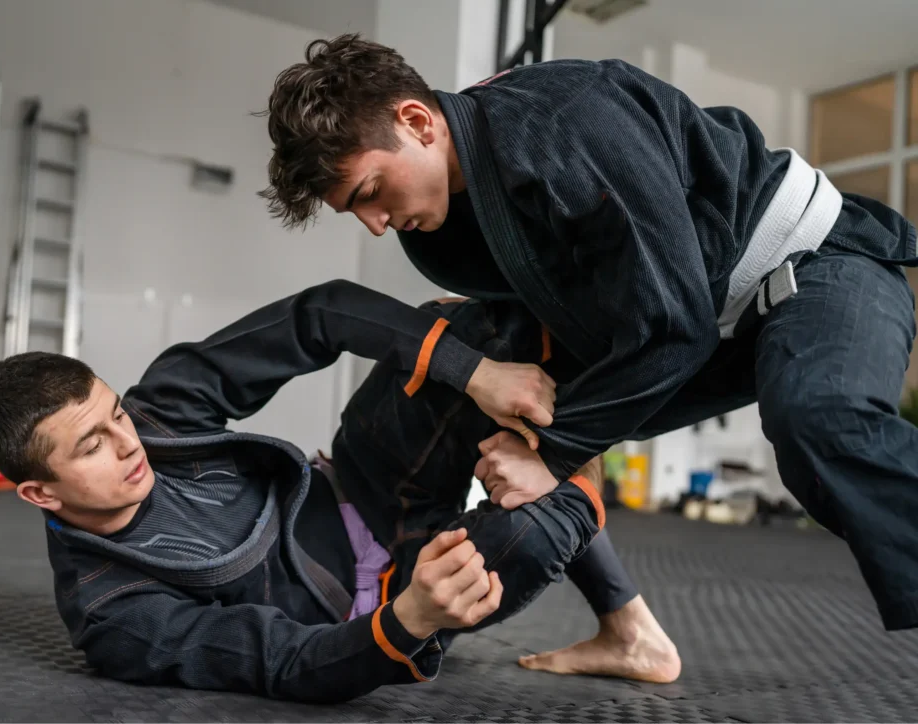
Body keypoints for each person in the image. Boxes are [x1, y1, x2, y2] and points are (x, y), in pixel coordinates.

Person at [260, 35, 918, 636]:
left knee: (821, 419)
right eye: (357, 211)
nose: (375, 223)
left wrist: (551, 452)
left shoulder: (559, 122)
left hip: (819, 261)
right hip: (714, 319)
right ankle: (630, 629)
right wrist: (489, 389)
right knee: (487, 379)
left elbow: (671, 325)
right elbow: (585, 327)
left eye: (373, 190)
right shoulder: (442, 236)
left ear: (417, 121)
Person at [0, 280, 667, 704]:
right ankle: (578, 474)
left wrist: (468, 368)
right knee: (539, 524)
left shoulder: (157, 413)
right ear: (38, 493)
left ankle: (630, 628)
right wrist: (413, 619)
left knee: (471, 335)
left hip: (360, 482)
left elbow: (319, 315)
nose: (127, 445)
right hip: (391, 599)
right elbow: (289, 662)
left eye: (115, 414)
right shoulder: (113, 613)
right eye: (91, 447)